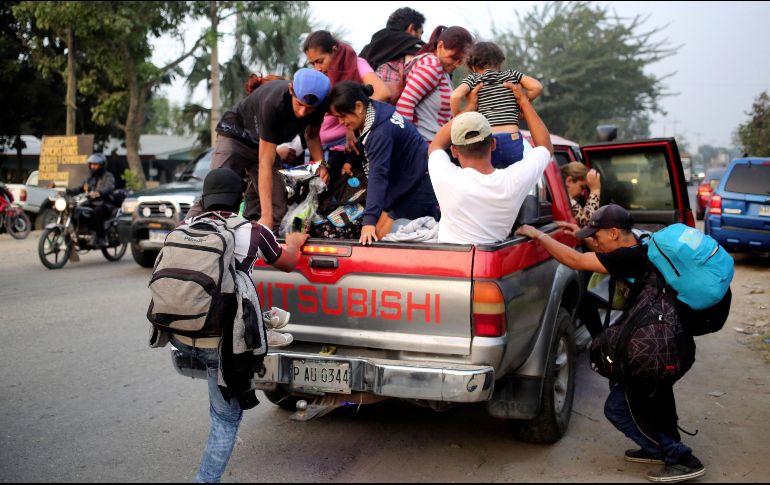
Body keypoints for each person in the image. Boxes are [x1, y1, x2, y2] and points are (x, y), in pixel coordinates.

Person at [515, 205, 705, 483]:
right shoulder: (643, 243)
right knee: (656, 396)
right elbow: (599, 250)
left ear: (614, 233)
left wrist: (539, 236)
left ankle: (680, 458)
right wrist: (578, 234)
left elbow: (577, 262)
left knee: (617, 407)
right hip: (670, 341)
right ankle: (661, 446)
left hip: (656, 346)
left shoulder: (628, 258)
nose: (596, 240)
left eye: (598, 234)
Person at [167, 168, 309, 483]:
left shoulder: (185, 226)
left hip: (181, 332)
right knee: (225, 419)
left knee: (219, 392)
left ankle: (264, 323)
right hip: (220, 342)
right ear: (241, 197)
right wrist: (297, 239)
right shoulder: (254, 231)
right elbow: (288, 263)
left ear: (203, 199)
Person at [186, 69, 331, 231]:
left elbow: (311, 135)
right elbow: (265, 162)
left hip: (261, 144)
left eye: (309, 108)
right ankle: (185, 234)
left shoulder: (321, 103)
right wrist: (266, 216)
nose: (303, 112)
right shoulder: (274, 103)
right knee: (217, 193)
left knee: (278, 209)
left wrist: (321, 164)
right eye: (299, 104)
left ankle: (258, 248)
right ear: (291, 90)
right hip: (235, 137)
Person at [427, 82, 553, 244]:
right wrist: (523, 101)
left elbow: (436, 145)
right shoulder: (512, 181)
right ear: (493, 144)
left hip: (451, 263)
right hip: (490, 264)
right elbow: (545, 147)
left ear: (454, 151)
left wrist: (470, 107)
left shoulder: (446, 177)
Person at [328, 81, 439, 244]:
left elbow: (378, 176)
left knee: (379, 238)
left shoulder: (380, 133)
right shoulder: (374, 110)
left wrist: (369, 222)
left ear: (358, 107)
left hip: (419, 186)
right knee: (377, 234)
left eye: (342, 116)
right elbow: (365, 147)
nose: (341, 123)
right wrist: (351, 160)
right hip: (404, 184)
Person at [303, 30, 391, 184]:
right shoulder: (319, 77)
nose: (317, 68)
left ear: (334, 51)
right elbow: (311, 133)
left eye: (320, 61)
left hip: (349, 149)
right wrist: (320, 163)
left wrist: (351, 123)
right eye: (312, 64)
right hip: (321, 151)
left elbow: (382, 93)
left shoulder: (357, 64)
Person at [450, 41, 543, 167]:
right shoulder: (511, 75)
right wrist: (520, 102)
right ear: (500, 62)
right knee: (512, 180)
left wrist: (460, 116)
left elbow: (455, 96)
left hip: (488, 142)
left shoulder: (474, 80)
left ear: (473, 66)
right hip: (513, 138)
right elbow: (537, 87)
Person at [396, 25, 474, 142]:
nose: (457, 64)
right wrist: (410, 144)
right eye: (453, 58)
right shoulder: (432, 66)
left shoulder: (442, 69)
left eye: (461, 60)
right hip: (424, 146)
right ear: (440, 46)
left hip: (430, 146)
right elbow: (405, 105)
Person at [359, 7, 426, 104]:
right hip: (395, 108)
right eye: (420, 33)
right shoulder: (414, 46)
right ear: (411, 28)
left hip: (362, 103)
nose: (420, 37)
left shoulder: (368, 48)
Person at [67, 153, 115, 247]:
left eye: (95, 164)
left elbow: (109, 187)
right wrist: (68, 190)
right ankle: (80, 235)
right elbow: (80, 188)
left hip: (105, 203)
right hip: (91, 203)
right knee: (77, 210)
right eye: (91, 164)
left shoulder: (108, 176)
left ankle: (101, 238)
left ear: (102, 165)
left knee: (96, 213)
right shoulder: (90, 178)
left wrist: (99, 192)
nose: (93, 166)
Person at [561, 162, 602, 226]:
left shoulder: (559, 196)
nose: (582, 193)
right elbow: (587, 221)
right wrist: (595, 190)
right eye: (582, 187)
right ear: (569, 181)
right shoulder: (563, 198)